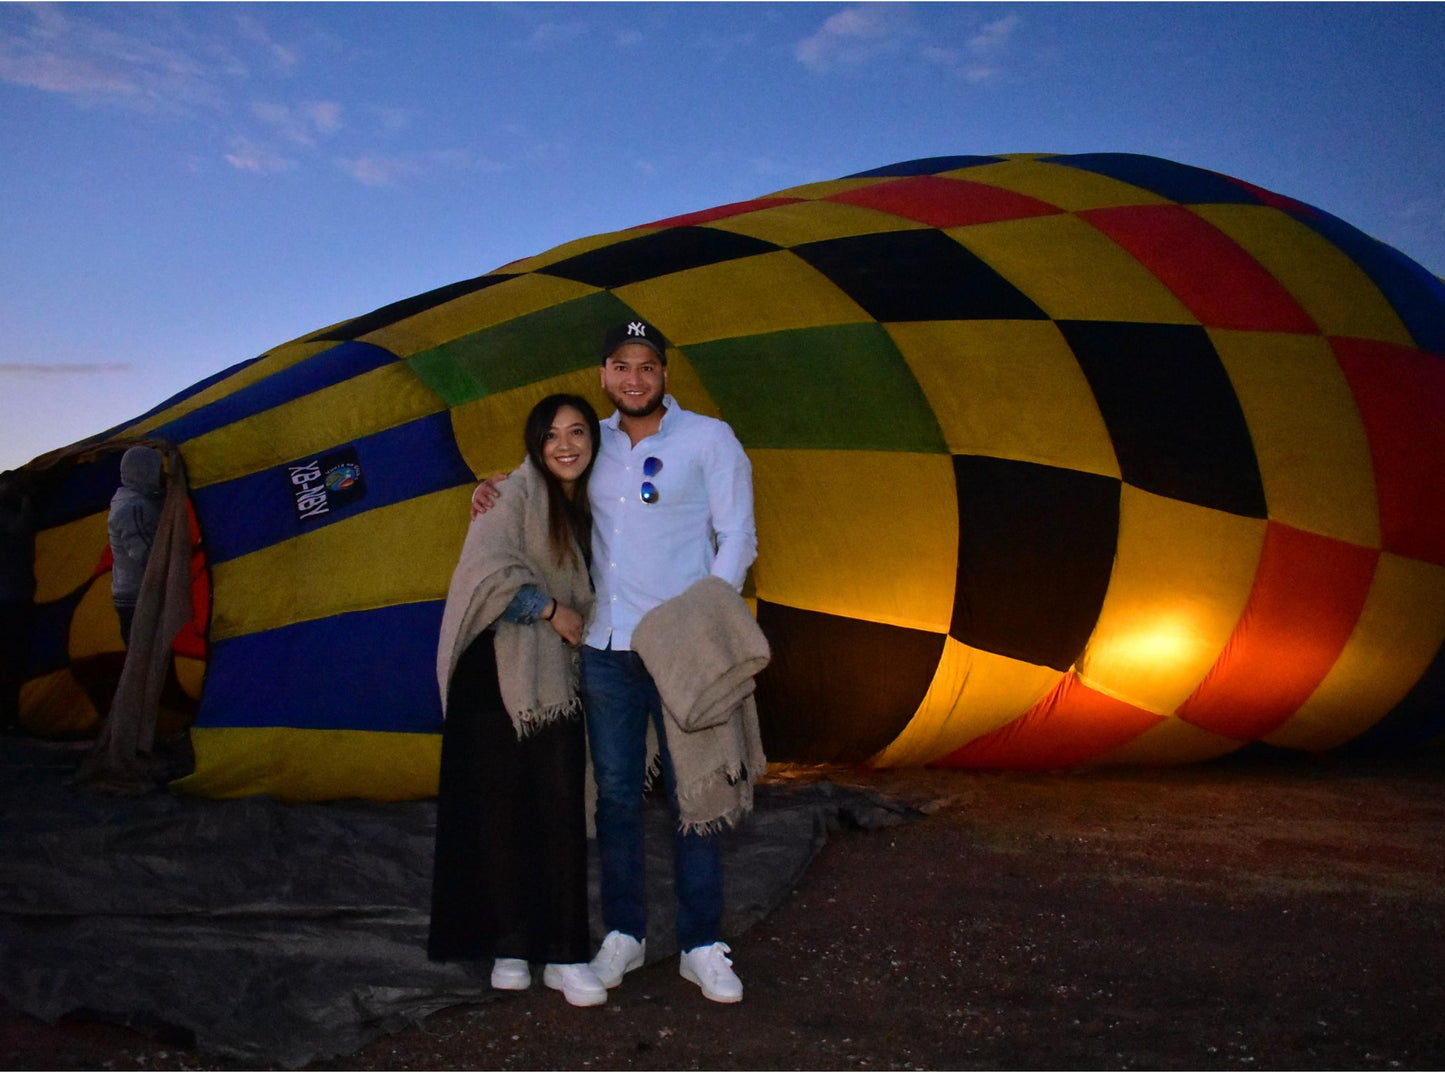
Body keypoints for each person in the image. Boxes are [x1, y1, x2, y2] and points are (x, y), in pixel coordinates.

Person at [473, 320, 758, 1003]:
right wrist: (491, 489)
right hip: (604, 648)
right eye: (620, 366)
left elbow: (736, 534)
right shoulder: (589, 440)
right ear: (603, 374)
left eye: (646, 366)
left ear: (664, 373)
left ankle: (698, 944)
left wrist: (707, 620)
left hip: (681, 648)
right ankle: (624, 932)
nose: (634, 378)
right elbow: (539, 476)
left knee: (697, 796)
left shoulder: (708, 438)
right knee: (618, 798)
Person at [431, 393, 609, 1008]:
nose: (566, 445)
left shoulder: (592, 506)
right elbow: (486, 578)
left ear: (594, 440)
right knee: (500, 812)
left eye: (579, 432)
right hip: (494, 674)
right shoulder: (510, 494)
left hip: (555, 681)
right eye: (553, 434)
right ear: (535, 443)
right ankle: (510, 946)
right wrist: (551, 608)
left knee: (560, 810)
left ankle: (563, 954)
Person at [107, 446, 165, 647]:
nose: (161, 475)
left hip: (130, 592)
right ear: (145, 470)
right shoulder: (134, 507)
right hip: (138, 596)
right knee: (147, 655)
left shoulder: (128, 499)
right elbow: (147, 554)